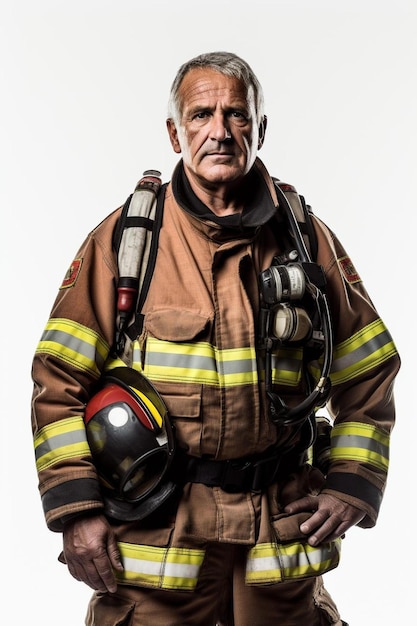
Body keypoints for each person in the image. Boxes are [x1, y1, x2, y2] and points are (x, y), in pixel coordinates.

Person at [31, 51, 400, 626]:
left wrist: (352, 484)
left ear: (261, 128)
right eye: (201, 115)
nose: (220, 132)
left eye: (237, 115)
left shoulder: (305, 238)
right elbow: (57, 379)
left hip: (278, 536)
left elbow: (369, 368)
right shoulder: (128, 241)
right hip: (160, 536)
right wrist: (76, 510)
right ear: (175, 134)